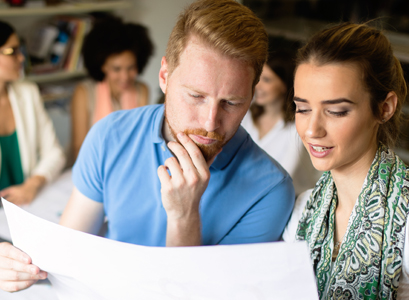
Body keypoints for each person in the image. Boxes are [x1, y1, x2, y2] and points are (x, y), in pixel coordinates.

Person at [0, 0, 295, 292]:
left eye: (231, 103)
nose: (209, 123)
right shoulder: (110, 135)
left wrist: (184, 215)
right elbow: (68, 257)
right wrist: (18, 267)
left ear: (252, 94)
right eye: (195, 96)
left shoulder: (270, 190)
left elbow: (197, 296)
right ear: (164, 76)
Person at [283, 23, 409, 299]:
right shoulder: (303, 213)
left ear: (384, 108)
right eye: (302, 109)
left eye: (336, 111)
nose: (312, 129)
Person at [70, 16, 154, 162]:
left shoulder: (142, 90)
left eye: (131, 68)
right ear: (102, 65)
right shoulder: (83, 93)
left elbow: (143, 142)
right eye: (116, 69)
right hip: (92, 167)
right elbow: (79, 149)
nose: (125, 77)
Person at [0, 21, 65, 206]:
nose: (21, 58)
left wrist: (33, 184)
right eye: (12, 51)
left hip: (26, 203)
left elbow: (54, 152)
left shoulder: (28, 92)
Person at [242, 50, 321, 195]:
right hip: (248, 192)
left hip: (288, 198)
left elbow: (282, 176)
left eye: (266, 80)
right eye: (258, 78)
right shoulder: (245, 114)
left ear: (284, 85)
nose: (257, 85)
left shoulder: (296, 128)